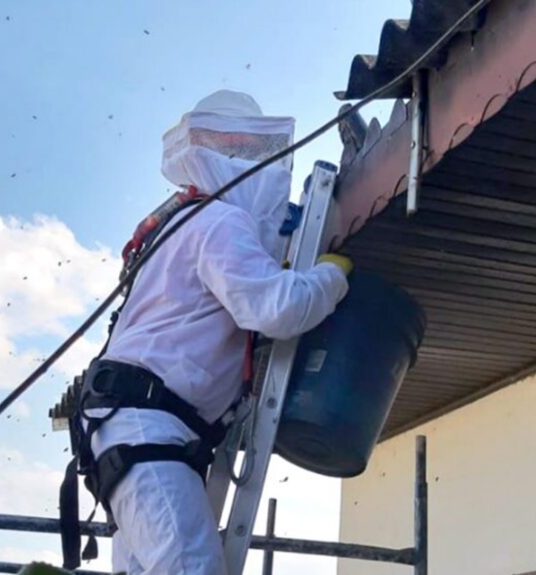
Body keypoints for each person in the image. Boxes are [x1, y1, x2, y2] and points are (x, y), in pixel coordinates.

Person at [85, 90, 352, 575]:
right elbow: (276, 308)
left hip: (134, 437)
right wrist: (331, 277)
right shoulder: (219, 222)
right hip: (149, 436)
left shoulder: (182, 224)